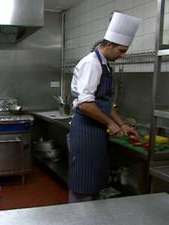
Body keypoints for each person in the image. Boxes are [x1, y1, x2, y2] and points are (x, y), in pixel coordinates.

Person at [69, 12, 141, 203]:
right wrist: (111, 124)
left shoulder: (105, 65)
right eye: (121, 51)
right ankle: (77, 217)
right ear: (109, 45)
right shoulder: (91, 64)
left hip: (96, 129)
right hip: (85, 128)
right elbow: (86, 104)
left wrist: (122, 124)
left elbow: (104, 103)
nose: (123, 55)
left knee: (94, 178)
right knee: (83, 179)